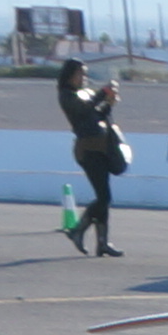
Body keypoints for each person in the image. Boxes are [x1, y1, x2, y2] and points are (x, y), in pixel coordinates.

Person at [56, 58, 127, 257]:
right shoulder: (66, 95)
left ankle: (102, 242)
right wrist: (103, 93)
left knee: (104, 198)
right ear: (70, 75)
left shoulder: (85, 93)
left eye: (85, 73)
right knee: (104, 197)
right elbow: (85, 110)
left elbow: (97, 116)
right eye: (81, 73)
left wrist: (109, 103)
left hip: (101, 147)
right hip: (88, 150)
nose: (84, 77)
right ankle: (79, 230)